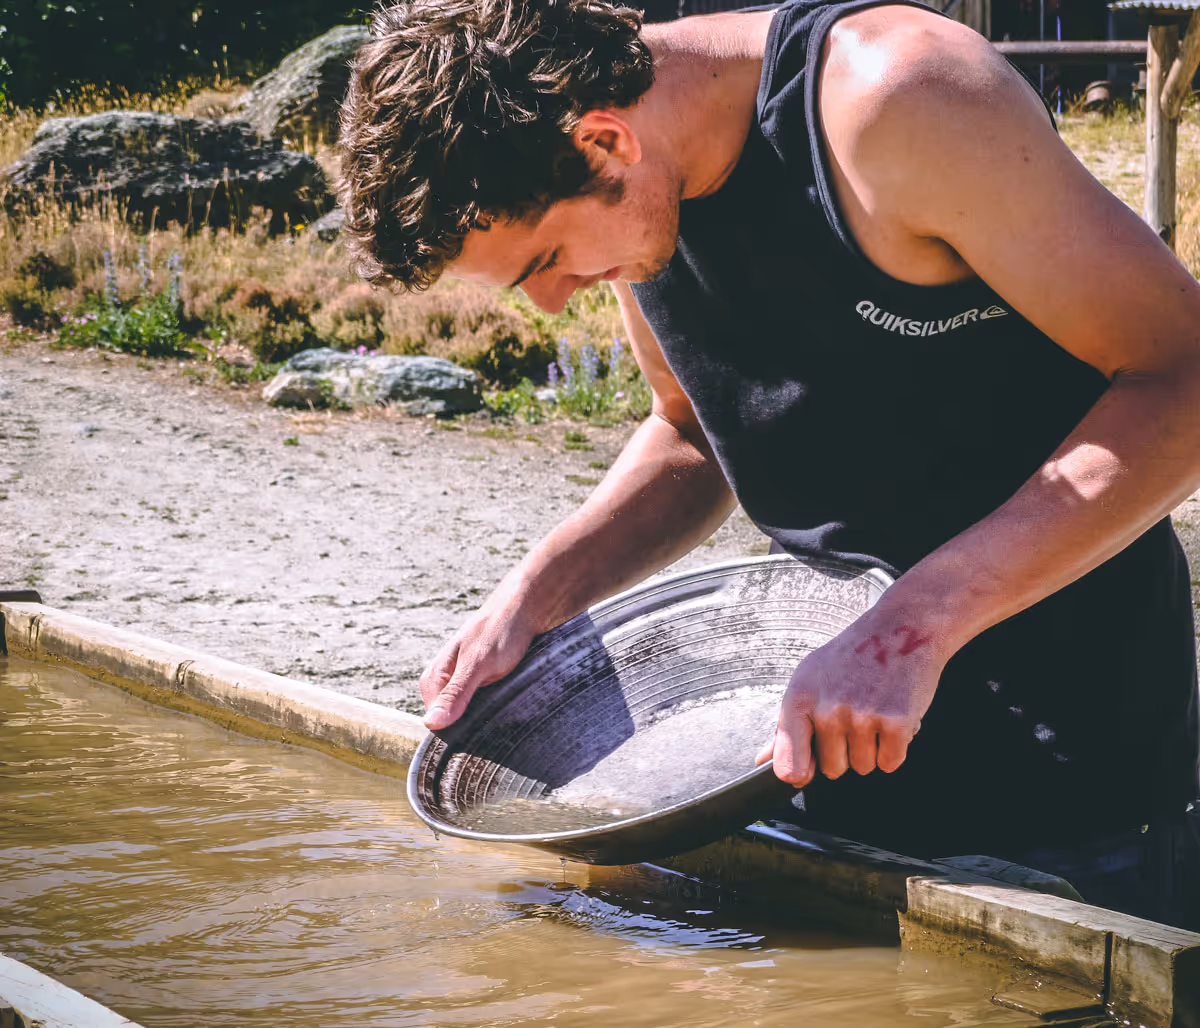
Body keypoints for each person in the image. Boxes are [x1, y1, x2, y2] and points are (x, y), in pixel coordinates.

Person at [338, 0, 1200, 927]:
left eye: (544, 259)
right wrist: (534, 596)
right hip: (815, 744)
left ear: (605, 141)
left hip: (1070, 754)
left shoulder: (899, 99)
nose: (552, 303)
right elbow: (691, 431)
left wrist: (913, 625)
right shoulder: (643, 193)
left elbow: (1183, 379)